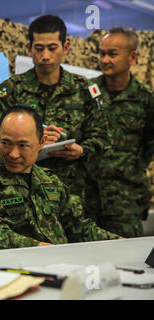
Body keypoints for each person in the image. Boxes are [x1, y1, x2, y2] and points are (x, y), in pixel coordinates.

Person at [0, 106, 122, 251]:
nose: (13, 154)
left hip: (61, 266)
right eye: (5, 143)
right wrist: (39, 249)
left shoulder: (50, 181)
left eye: (23, 145)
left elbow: (78, 227)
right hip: (15, 273)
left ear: (41, 142)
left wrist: (117, 242)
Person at [0, 15, 107, 203]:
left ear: (65, 48)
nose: (45, 56)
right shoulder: (12, 89)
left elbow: (102, 138)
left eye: (52, 48)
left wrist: (82, 150)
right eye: (39, 48)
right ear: (29, 49)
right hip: (22, 193)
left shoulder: (84, 89)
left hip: (70, 194)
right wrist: (34, 139)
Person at [84, 28, 154, 238]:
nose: (105, 60)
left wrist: (126, 168)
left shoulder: (146, 99)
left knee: (126, 262)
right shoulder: (86, 92)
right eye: (102, 53)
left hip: (125, 202)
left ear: (133, 57)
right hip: (87, 199)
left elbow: (149, 146)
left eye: (112, 54)